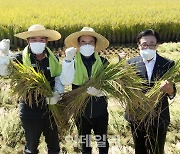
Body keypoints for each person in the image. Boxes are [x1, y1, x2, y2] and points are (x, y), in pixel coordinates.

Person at [0, 24, 64, 154]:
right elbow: (4, 72)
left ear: (47, 41)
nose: (38, 42)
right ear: (27, 41)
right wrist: (4, 55)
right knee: (31, 148)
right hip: (30, 110)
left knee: (54, 147)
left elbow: (58, 78)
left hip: (50, 109)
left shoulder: (53, 59)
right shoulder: (19, 59)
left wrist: (57, 93)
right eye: (33, 39)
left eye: (41, 39)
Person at [125, 29, 176, 154]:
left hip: (159, 117)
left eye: (152, 44)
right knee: (139, 149)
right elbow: (125, 89)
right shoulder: (130, 64)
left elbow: (172, 92)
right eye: (144, 44)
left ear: (157, 45)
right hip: (137, 116)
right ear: (138, 45)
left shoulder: (167, 64)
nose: (148, 47)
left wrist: (170, 91)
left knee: (157, 150)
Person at [60, 27, 110, 154]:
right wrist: (67, 61)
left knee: (102, 143)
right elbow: (66, 81)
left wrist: (100, 92)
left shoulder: (103, 62)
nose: (87, 45)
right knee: (85, 144)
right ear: (78, 44)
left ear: (95, 44)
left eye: (90, 42)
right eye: (83, 42)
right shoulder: (72, 62)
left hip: (100, 111)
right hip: (81, 113)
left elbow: (111, 86)